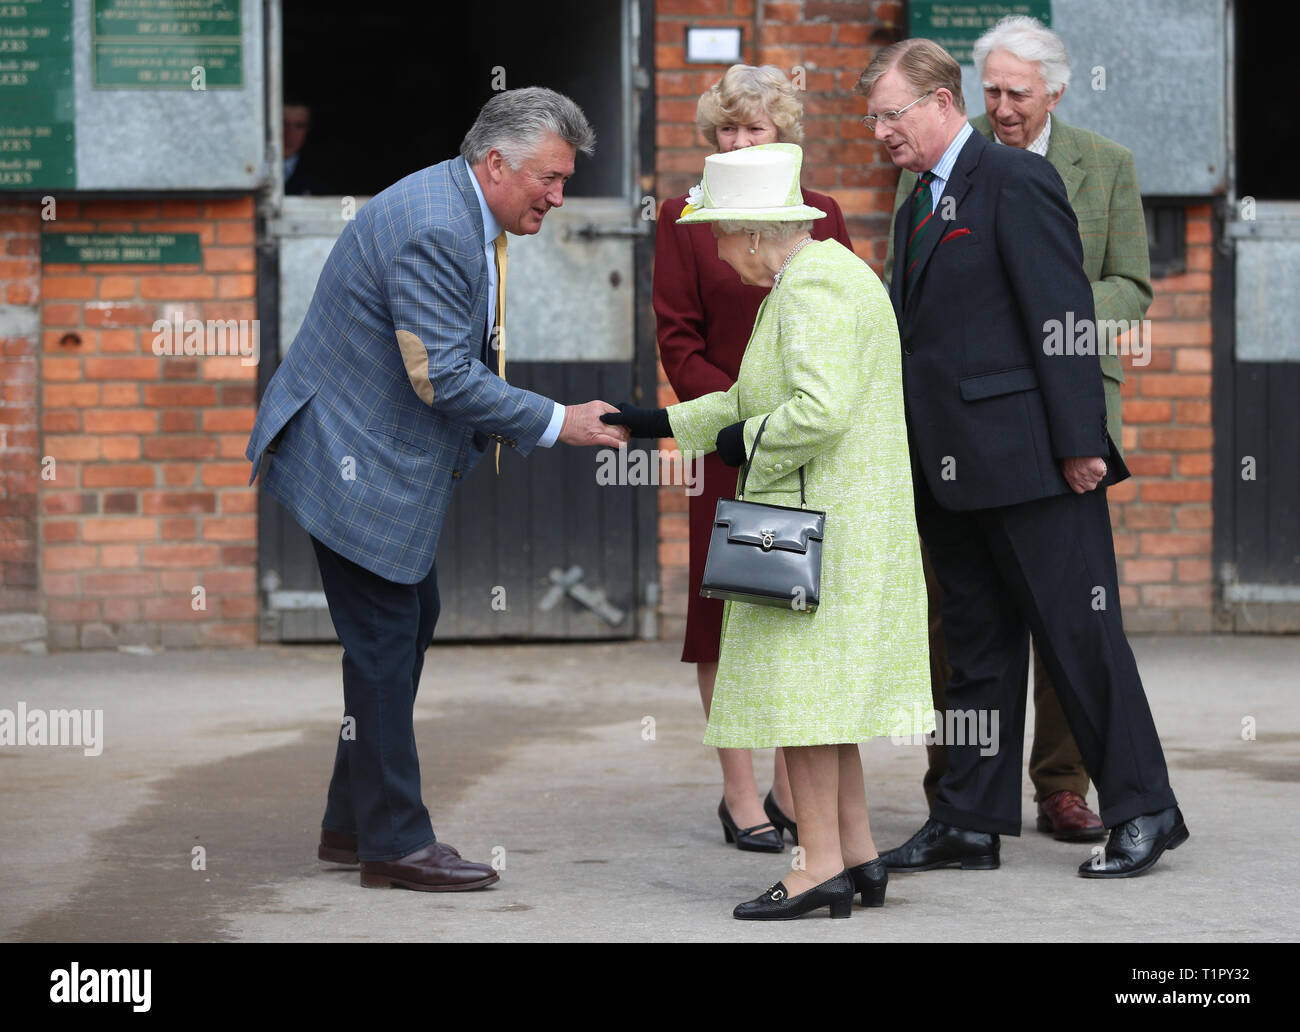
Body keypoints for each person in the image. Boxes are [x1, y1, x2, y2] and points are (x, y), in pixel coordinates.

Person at [245, 87, 629, 892]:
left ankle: (352, 823)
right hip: (347, 453)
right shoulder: (436, 226)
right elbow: (444, 378)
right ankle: (394, 844)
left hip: (362, 445)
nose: (559, 198)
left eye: (564, 180)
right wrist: (559, 419)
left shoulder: (459, 205)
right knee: (386, 642)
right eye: (549, 179)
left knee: (403, 624)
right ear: (495, 163)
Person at [859, 39, 1186, 878]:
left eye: (891, 115)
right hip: (951, 472)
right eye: (873, 120)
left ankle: (1146, 809)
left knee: (1082, 639)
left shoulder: (1013, 179)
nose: (880, 133)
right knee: (976, 650)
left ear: (941, 102)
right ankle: (967, 817)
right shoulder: (914, 204)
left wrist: (1083, 446)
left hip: (1036, 463)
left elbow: (1062, 316)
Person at [604, 143, 932, 919]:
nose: (715, 252)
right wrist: (659, 422)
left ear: (754, 232)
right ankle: (856, 854)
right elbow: (756, 394)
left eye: (719, 235)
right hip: (845, 523)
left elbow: (815, 412)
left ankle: (814, 865)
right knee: (828, 705)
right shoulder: (829, 274)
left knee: (804, 706)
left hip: (813, 528)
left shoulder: (810, 289)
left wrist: (740, 444)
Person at [654, 64, 853, 853]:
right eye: (727, 130)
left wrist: (792, 422)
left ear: (785, 137)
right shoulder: (683, 215)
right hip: (733, 445)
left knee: (792, 609)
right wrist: (744, 419)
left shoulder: (824, 215)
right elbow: (679, 339)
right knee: (726, 618)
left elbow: (834, 330)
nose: (738, 141)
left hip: (804, 447)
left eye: (755, 129)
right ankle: (739, 794)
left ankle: (787, 785)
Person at [283, 102, 335, 196]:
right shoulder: (255, 168)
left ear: (308, 129)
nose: (290, 134)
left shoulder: (322, 173)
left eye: (299, 126)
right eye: (283, 124)